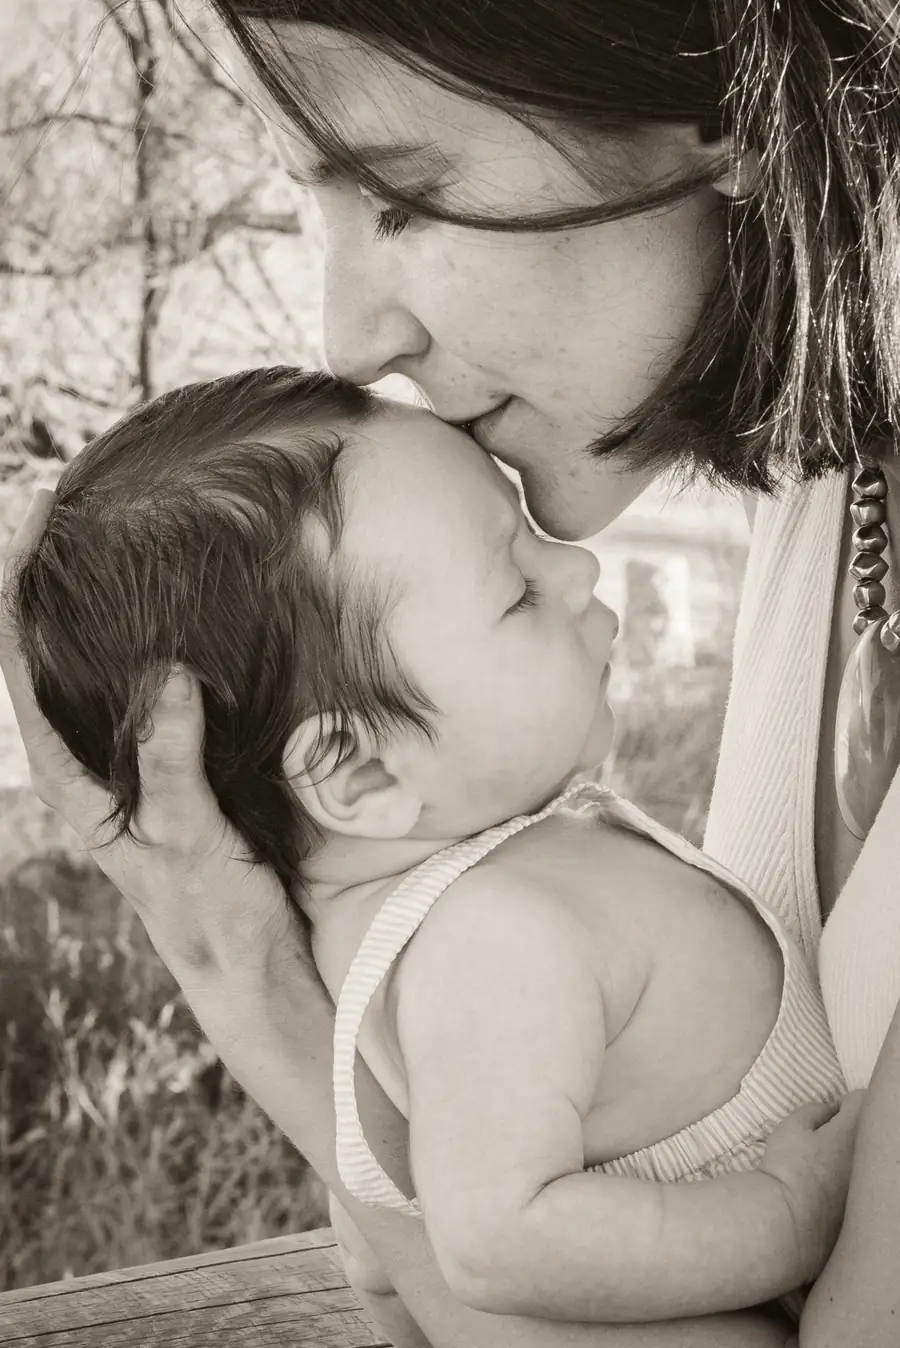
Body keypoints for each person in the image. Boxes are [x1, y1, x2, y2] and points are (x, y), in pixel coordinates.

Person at [3, 1, 900, 1343]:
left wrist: (263, 997)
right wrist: (244, 967)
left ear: (724, 101)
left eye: (398, 196)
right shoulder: (826, 493)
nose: (348, 338)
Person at [9, 367, 858, 1327]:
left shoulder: (425, 933)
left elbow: (390, 1267)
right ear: (363, 776)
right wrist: (787, 1215)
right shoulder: (488, 940)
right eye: (518, 590)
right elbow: (496, 1240)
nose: (578, 570)